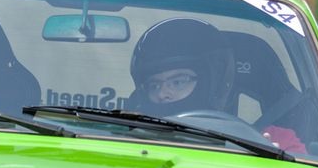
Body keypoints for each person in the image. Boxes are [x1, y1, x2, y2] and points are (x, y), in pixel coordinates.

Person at [129, 18, 307, 153]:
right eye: (154, 85)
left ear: (212, 82)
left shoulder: (274, 141)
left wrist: (274, 161)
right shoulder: (126, 136)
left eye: (178, 82)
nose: (163, 93)